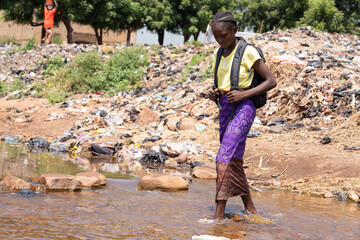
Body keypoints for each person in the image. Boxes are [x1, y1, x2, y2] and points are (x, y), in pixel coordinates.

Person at [208, 11, 277, 220]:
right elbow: (222, 84)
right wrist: (213, 92)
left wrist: (243, 94)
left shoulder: (247, 52)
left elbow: (271, 81)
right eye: (216, 36)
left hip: (244, 108)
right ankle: (250, 208)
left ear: (234, 31)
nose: (220, 40)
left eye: (224, 36)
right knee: (234, 160)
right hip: (225, 109)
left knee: (223, 158)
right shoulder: (218, 54)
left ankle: (218, 216)